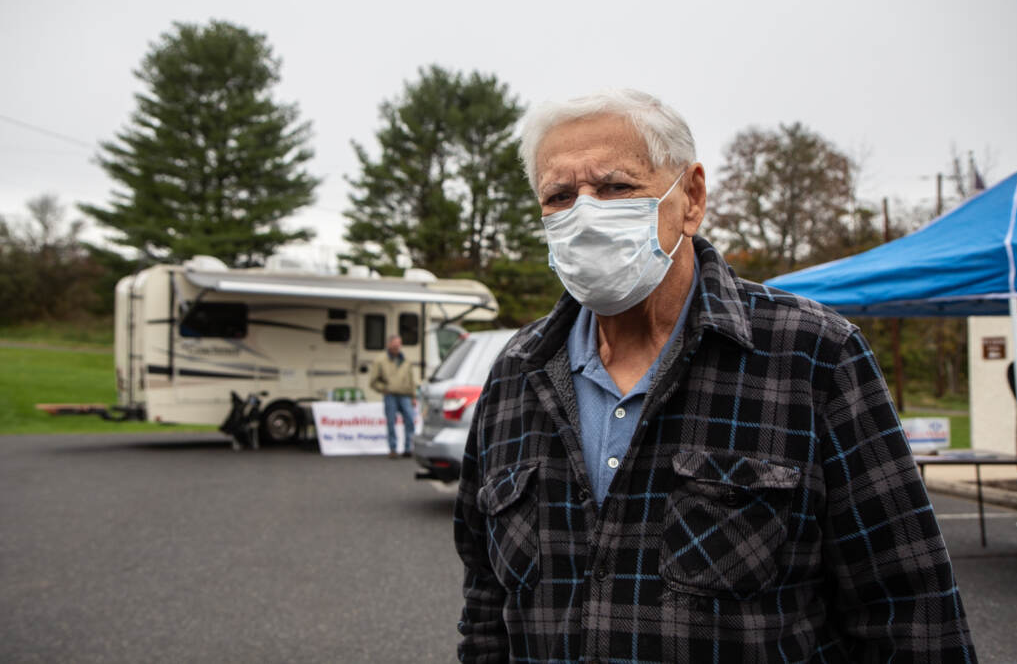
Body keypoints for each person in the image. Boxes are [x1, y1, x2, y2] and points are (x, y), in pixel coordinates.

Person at [454, 89, 976, 662]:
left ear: (692, 197)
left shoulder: (814, 357)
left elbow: (909, 606)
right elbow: (486, 602)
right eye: (559, 195)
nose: (585, 212)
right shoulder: (516, 373)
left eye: (615, 187)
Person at [370, 334, 417, 458]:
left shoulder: (406, 360)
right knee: (391, 422)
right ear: (389, 344)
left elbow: (412, 380)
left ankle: (408, 448)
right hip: (390, 395)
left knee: (410, 421)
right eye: (394, 344)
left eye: (398, 344)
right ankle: (393, 448)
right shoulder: (380, 360)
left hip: (405, 395)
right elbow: (373, 381)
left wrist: (413, 396)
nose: (397, 346)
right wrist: (383, 389)